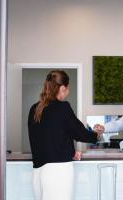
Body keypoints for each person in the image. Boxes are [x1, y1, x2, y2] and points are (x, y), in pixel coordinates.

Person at [28, 70, 99, 200]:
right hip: (58, 172)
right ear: (62, 88)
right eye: (68, 87)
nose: (68, 90)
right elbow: (81, 134)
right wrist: (96, 134)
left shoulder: (34, 108)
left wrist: (70, 150)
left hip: (38, 173)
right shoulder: (62, 107)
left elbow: (45, 139)